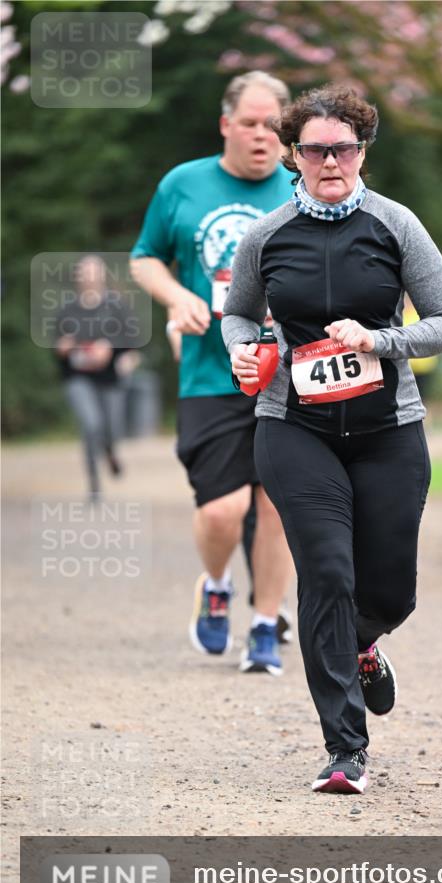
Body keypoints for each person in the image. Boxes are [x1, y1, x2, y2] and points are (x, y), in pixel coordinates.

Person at [221, 85, 442, 793]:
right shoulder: (265, 236)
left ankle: (363, 642)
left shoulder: (395, 226)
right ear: (295, 155)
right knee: (326, 574)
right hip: (293, 427)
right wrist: (246, 350)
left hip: (388, 430)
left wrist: (380, 338)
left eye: (345, 148)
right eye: (317, 150)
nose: (331, 161)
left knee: (390, 589)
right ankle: (344, 750)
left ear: (361, 150)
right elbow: (238, 316)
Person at [130, 72, 295, 675]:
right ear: (226, 124)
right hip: (210, 372)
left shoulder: (305, 189)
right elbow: (144, 257)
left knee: (278, 504)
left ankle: (263, 624)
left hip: (288, 373)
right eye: (248, 123)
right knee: (222, 511)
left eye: (271, 124)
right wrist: (175, 297)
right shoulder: (183, 184)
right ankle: (218, 583)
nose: (260, 135)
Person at [56, 255, 138, 501]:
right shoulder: (67, 309)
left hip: (110, 378)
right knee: (91, 425)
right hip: (78, 378)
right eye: (84, 271)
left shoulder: (117, 306)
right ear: (77, 277)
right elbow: (58, 346)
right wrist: (64, 347)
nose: (89, 276)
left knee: (111, 429)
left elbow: (132, 346)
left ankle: (111, 451)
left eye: (94, 271)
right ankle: (93, 485)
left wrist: (119, 355)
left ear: (102, 275)